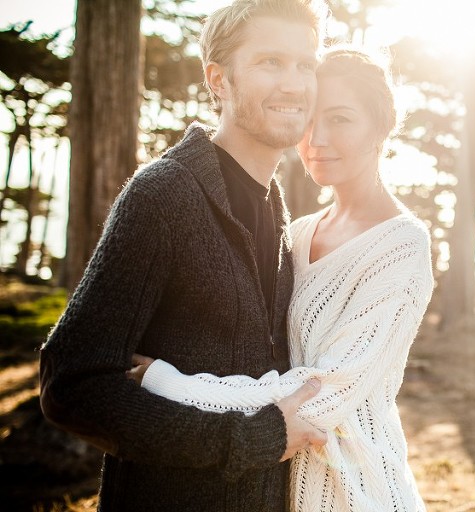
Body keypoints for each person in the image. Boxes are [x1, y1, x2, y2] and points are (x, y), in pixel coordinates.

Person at [38, 1, 329, 510]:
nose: (294, 83)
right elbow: (71, 384)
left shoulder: (278, 212)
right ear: (218, 80)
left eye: (305, 65)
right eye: (270, 62)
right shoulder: (164, 195)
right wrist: (250, 439)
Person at [130, 49, 433, 511]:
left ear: (382, 128)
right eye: (310, 120)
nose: (317, 139)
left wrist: (167, 382)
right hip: (279, 491)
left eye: (341, 119)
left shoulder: (403, 246)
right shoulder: (296, 232)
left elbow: (317, 398)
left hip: (362, 494)